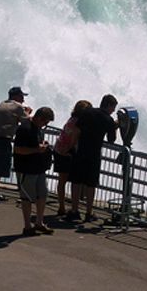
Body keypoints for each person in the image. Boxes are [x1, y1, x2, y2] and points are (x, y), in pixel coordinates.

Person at [68, 94, 118, 222]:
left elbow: (76, 130)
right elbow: (111, 140)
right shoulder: (108, 119)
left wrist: (72, 147)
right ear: (109, 105)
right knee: (91, 184)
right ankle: (89, 212)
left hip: (81, 151)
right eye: (113, 108)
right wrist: (115, 126)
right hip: (94, 154)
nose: (113, 111)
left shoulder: (87, 112)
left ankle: (74, 210)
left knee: (76, 181)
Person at [13, 106, 55, 236]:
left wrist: (43, 145)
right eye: (45, 122)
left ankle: (39, 222)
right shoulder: (24, 129)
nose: (45, 125)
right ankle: (27, 226)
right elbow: (18, 149)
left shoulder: (38, 129)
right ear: (39, 118)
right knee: (26, 198)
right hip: (26, 169)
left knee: (42, 195)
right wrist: (37, 149)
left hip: (38, 168)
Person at [0, 86, 31, 203]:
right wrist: (28, 112)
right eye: (21, 96)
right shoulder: (18, 106)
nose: (23, 100)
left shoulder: (2, 103)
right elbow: (28, 121)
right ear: (16, 96)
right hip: (3, 139)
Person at [53, 100, 91, 217]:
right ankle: (68, 207)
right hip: (66, 152)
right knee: (72, 180)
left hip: (59, 149)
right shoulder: (78, 123)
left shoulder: (71, 119)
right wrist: (68, 150)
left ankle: (62, 206)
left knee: (62, 180)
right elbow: (73, 140)